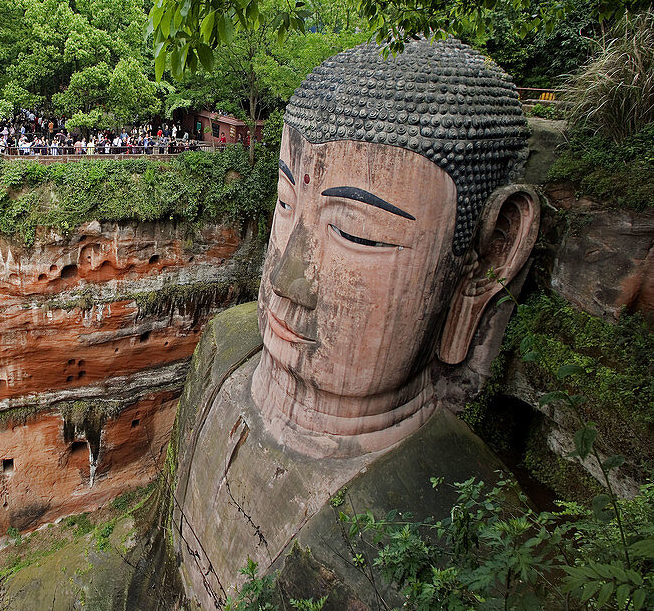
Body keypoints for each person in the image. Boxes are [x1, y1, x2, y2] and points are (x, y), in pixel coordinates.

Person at [171, 39, 540, 607]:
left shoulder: (470, 537)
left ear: (488, 260)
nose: (286, 279)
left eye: (356, 233)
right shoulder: (224, 350)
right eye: (284, 204)